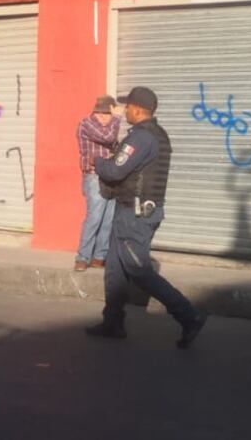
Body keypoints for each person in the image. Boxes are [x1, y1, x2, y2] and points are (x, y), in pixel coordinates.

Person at [86, 86, 208, 349]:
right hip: (134, 210)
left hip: (135, 214)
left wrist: (98, 163)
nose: (125, 110)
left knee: (138, 270)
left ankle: (189, 315)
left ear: (139, 109)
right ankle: (113, 323)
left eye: (127, 106)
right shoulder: (157, 135)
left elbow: (116, 171)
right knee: (115, 270)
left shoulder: (140, 138)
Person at [74, 95, 121, 272]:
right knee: (94, 217)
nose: (108, 118)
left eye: (110, 115)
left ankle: (99, 257)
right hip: (94, 176)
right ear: (100, 112)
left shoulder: (110, 126)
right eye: (108, 113)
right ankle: (83, 257)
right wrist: (117, 118)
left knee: (108, 219)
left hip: (110, 176)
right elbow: (108, 138)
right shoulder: (87, 124)